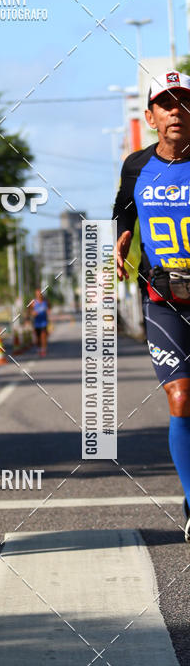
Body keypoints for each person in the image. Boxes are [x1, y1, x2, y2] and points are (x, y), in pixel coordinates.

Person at [113, 70, 190, 542]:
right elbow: (123, 207)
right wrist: (121, 235)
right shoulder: (136, 165)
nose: (177, 111)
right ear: (151, 117)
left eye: (183, 102)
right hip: (163, 297)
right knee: (181, 397)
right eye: (167, 103)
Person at [29, 288, 50, 356]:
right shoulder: (33, 302)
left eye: (39, 294)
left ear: (41, 294)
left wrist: (48, 312)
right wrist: (32, 313)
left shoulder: (45, 302)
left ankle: (43, 350)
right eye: (36, 294)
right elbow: (30, 311)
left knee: (43, 336)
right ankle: (39, 349)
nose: (38, 295)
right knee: (38, 338)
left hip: (44, 322)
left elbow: (48, 309)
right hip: (37, 322)